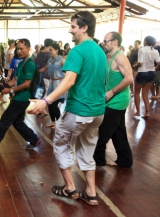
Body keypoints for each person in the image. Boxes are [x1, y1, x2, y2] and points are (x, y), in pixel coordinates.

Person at [28, 11, 107, 206]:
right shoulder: (99, 51)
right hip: (98, 112)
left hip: (78, 110)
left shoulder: (77, 51)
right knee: (87, 150)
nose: (70, 30)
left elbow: (69, 80)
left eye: (73, 26)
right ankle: (91, 193)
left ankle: (70, 188)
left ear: (84, 27)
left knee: (62, 146)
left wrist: (46, 101)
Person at [0, 39, 41, 150]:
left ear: (29, 48)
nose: (19, 51)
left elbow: (27, 84)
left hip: (22, 98)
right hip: (19, 97)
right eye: (17, 49)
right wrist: (6, 85)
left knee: (5, 119)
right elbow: (16, 79)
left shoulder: (30, 64)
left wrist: (11, 91)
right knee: (18, 123)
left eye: (22, 49)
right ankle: (35, 140)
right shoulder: (22, 63)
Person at [93, 32, 134, 168]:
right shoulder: (107, 57)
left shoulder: (120, 57)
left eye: (106, 41)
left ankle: (97, 160)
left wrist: (111, 92)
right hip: (110, 99)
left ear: (115, 42)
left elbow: (129, 78)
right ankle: (125, 160)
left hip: (118, 99)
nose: (104, 44)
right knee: (118, 131)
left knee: (104, 130)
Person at [133, 36, 160, 118]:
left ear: (145, 41)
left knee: (136, 92)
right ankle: (147, 112)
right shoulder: (155, 51)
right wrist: (154, 69)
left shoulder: (142, 50)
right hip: (152, 73)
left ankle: (138, 112)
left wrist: (135, 65)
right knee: (145, 92)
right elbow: (159, 63)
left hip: (143, 72)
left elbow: (140, 63)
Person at [45, 44, 65, 129]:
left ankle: (59, 122)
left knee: (54, 104)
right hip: (51, 84)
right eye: (49, 50)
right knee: (50, 104)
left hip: (59, 84)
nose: (50, 51)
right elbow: (45, 68)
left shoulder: (62, 60)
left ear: (56, 50)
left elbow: (69, 72)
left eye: (51, 50)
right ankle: (53, 121)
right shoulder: (49, 60)